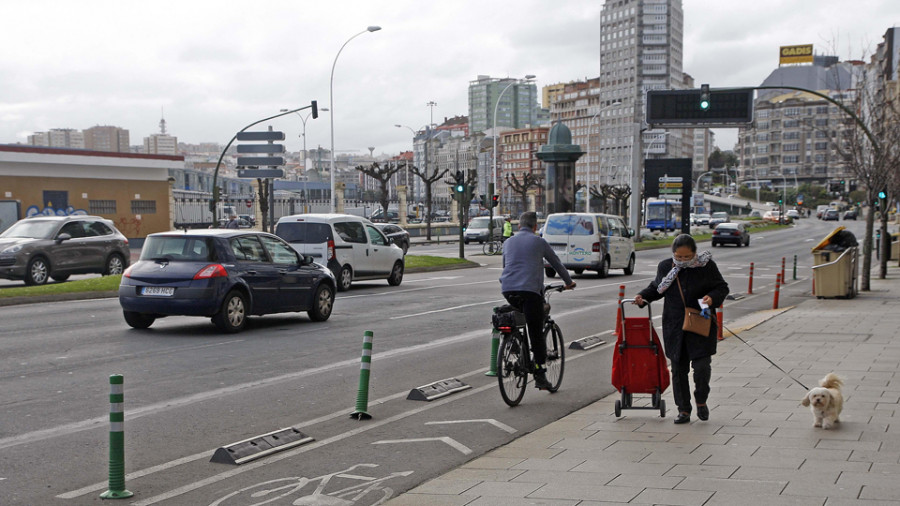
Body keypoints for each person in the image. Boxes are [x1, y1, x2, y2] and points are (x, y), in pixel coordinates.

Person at [633, 234, 728, 424]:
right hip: (675, 326)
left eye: (687, 257)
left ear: (695, 253)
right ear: (673, 253)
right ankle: (683, 409)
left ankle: (701, 400)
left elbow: (721, 287)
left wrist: (711, 297)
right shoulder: (666, 266)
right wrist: (643, 297)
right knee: (678, 370)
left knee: (702, 368)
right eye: (679, 257)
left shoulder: (706, 266)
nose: (683, 261)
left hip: (701, 322)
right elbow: (658, 287)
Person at [499, 211, 576, 390]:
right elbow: (555, 263)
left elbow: (506, 266)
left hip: (508, 289)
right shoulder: (539, 242)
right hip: (530, 292)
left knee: (519, 316)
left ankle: (516, 344)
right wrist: (568, 282)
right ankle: (540, 374)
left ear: (519, 226)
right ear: (535, 227)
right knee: (536, 332)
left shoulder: (508, 242)